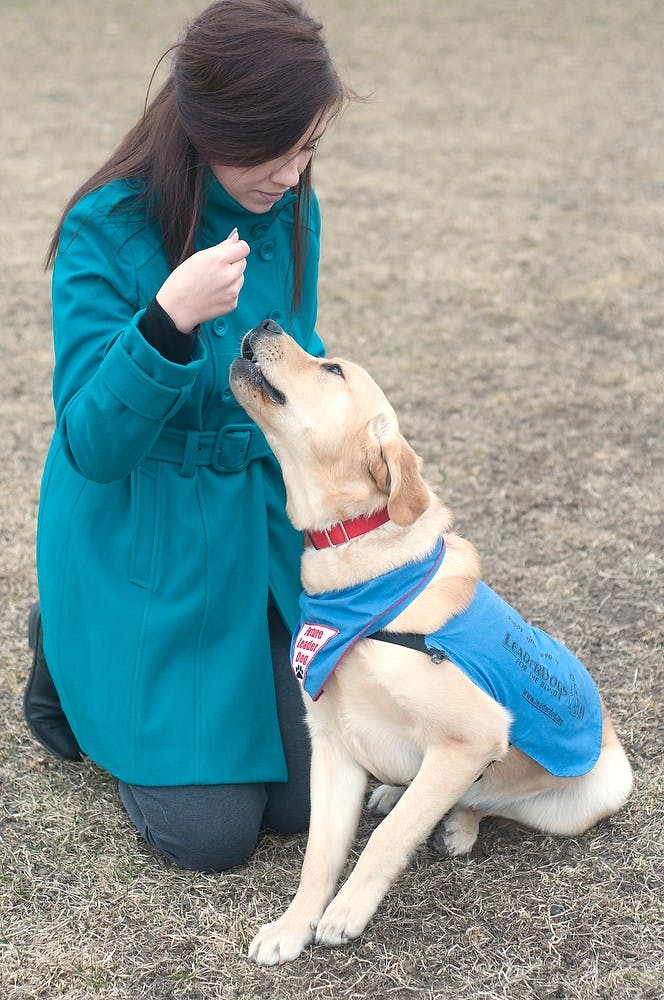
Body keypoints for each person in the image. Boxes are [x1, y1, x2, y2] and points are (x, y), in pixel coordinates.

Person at [24, 0, 352, 872]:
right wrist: (166, 322)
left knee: (315, 794)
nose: (294, 172)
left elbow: (293, 379)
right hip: (142, 536)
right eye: (275, 148)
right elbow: (91, 444)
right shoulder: (109, 225)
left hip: (251, 530)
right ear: (213, 124)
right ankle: (65, 645)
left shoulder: (290, 212)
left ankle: (209, 651)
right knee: (211, 840)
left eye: (310, 145)